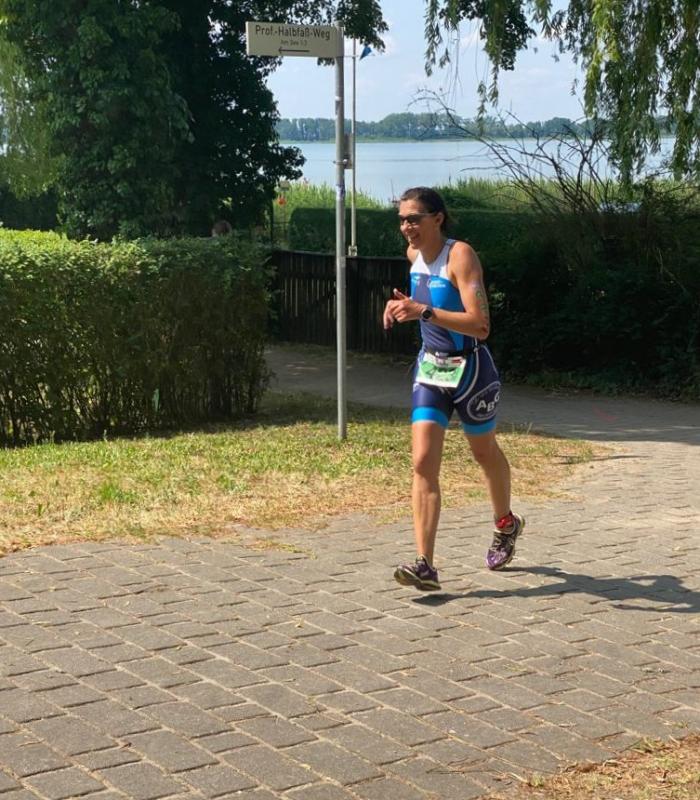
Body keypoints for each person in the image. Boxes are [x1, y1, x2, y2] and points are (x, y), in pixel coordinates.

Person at [382, 186, 525, 591]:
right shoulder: (413, 256)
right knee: (422, 462)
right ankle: (425, 564)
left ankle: (506, 523)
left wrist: (423, 311)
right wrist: (400, 306)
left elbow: (480, 325)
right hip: (431, 370)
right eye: (402, 220)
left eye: (414, 219)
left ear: (437, 219)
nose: (407, 227)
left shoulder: (460, 255)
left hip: (472, 371)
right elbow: (421, 301)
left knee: (484, 452)